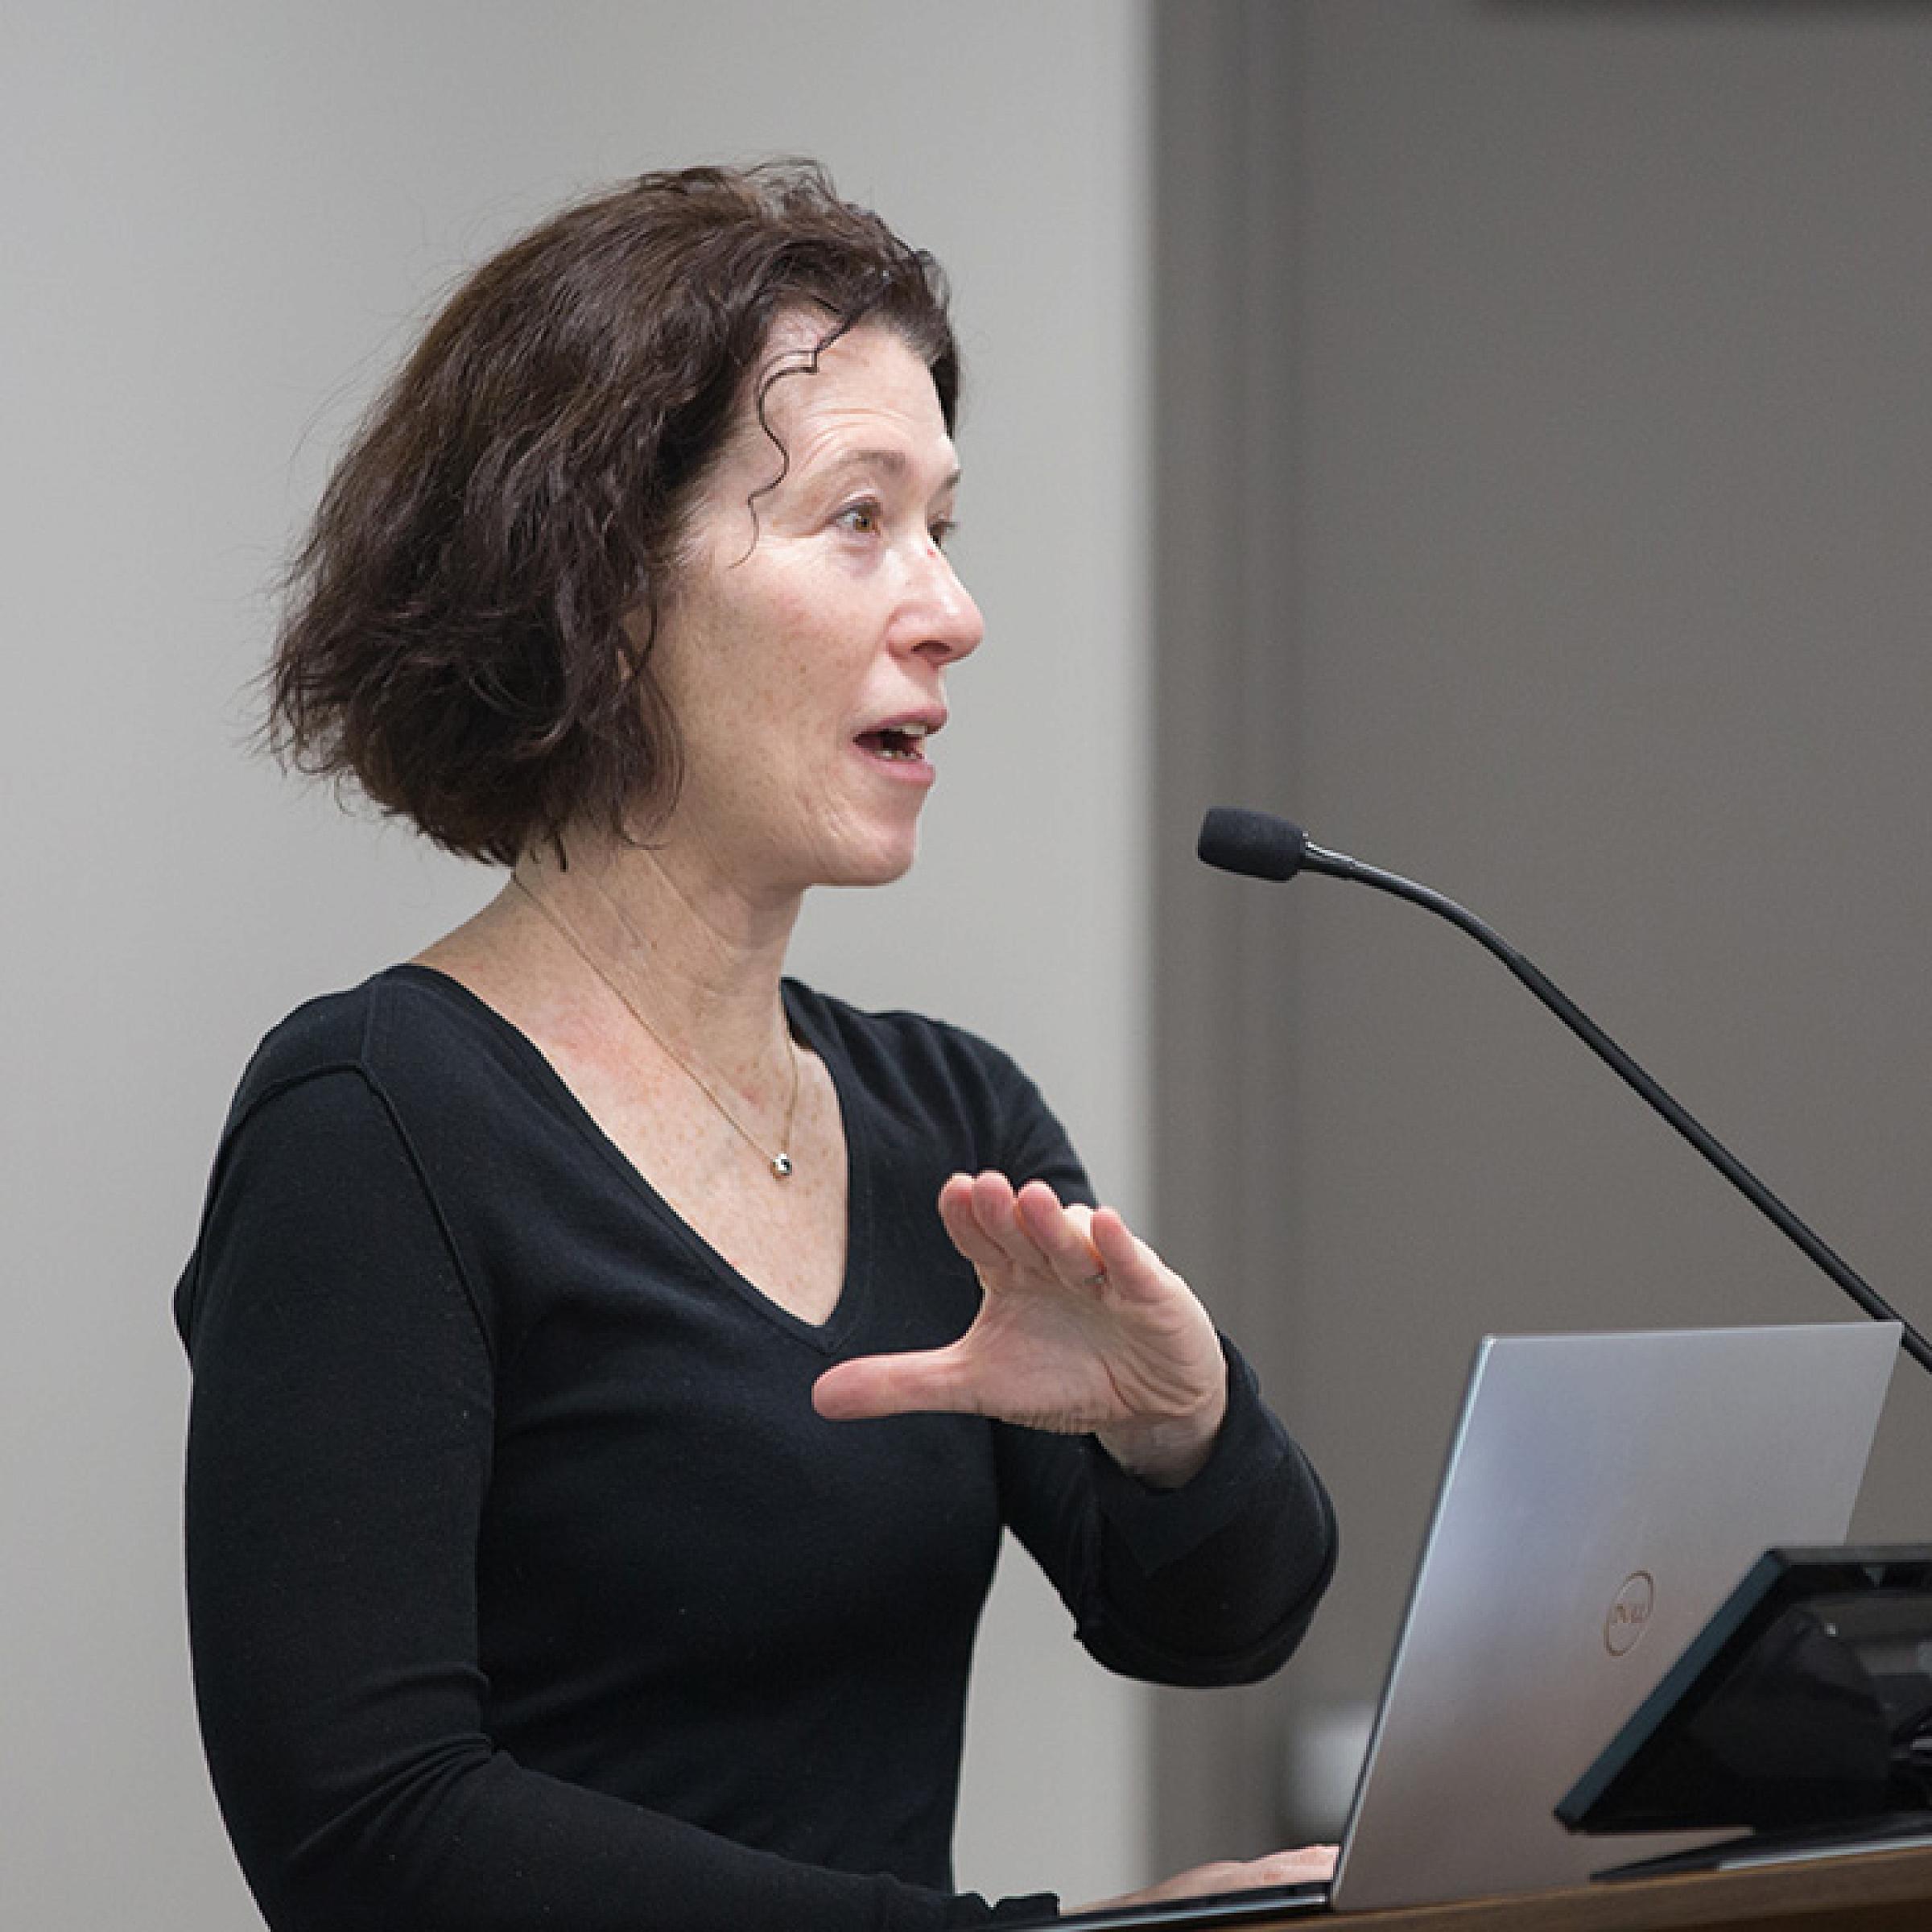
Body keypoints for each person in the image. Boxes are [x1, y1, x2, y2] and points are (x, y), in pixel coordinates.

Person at [175, 160, 1338, 1931]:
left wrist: (1184, 1432)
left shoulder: (942, 1115)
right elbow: (371, 1837)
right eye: (860, 519)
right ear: (599, 586)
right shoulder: (375, 1126)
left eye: (946, 523)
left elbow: (1213, 1620)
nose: (951, 609)